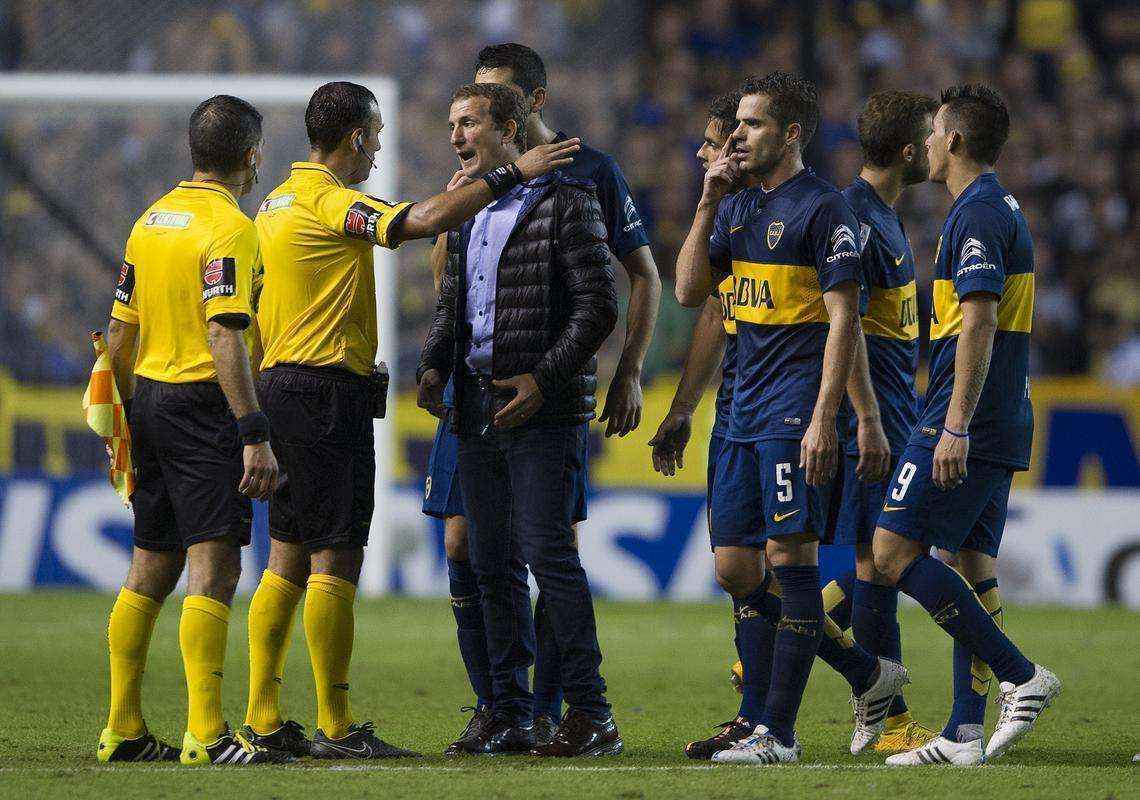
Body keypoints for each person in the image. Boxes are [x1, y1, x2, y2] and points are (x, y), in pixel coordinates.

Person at [242, 80, 579, 760]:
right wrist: (511, 173)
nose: (378, 153)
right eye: (377, 139)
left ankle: (264, 717)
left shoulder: (276, 201)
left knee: (286, 558)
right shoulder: (331, 201)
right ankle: (336, 728)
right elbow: (419, 222)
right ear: (357, 137)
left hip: (282, 383)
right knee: (335, 556)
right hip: (319, 394)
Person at [423, 41, 661, 748]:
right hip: (475, 397)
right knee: (478, 549)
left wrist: (626, 371)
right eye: (460, 114)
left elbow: (622, 288)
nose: (464, 128)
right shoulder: (471, 189)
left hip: (544, 396)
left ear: (524, 109)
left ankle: (576, 706)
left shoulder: (582, 182)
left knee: (546, 548)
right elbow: (452, 288)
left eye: (481, 110)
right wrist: (435, 362)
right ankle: (503, 706)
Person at [673, 72, 907, 766]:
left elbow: (846, 321)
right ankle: (866, 673)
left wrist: (826, 417)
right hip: (740, 413)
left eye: (751, 125)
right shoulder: (739, 208)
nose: (736, 136)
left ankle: (775, 731)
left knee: (791, 563)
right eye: (735, 125)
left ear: (792, 133)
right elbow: (690, 292)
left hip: (791, 411)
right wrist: (707, 200)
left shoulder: (825, 210)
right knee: (734, 568)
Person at [873, 84, 1060, 767]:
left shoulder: (977, 214)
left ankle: (1022, 676)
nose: (923, 144)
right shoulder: (993, 207)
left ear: (952, 140)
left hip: (966, 418)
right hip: (1001, 415)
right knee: (972, 568)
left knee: (893, 554)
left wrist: (954, 427)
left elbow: (978, 323)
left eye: (931, 133)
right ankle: (962, 731)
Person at [99, 95, 288, 766]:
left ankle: (122, 729)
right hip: (206, 407)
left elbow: (120, 334)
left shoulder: (151, 220)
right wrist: (252, 428)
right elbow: (224, 333)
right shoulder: (232, 228)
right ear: (252, 155)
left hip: (147, 397)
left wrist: (126, 420)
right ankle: (206, 736)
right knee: (214, 566)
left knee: (151, 563)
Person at [823, 90, 943, 754]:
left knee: (882, 558)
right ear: (905, 151)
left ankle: (877, 714)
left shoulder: (883, 217)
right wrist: (867, 417)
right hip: (874, 419)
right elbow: (847, 329)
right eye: (928, 136)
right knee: (882, 559)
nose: (935, 147)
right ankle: (886, 719)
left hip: (897, 410)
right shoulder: (858, 220)